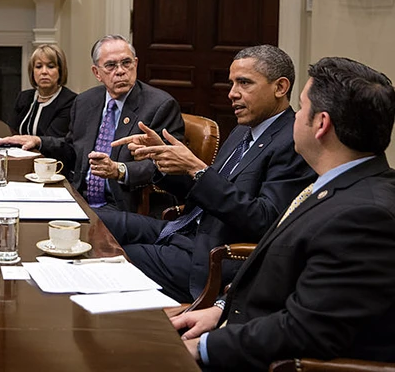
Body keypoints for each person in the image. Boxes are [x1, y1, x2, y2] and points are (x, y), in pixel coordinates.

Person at [171, 57, 395, 370]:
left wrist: (206, 347)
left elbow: (307, 330)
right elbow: (292, 286)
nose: (294, 117)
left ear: (321, 124)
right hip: (237, 327)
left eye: (301, 108)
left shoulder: (364, 216)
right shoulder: (337, 184)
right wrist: (220, 310)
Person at [97, 45, 313, 303]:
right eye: (232, 83)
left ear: (280, 87)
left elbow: (264, 220)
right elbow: (204, 191)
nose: (232, 94)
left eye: (244, 83)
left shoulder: (291, 142)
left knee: (110, 257)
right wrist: (162, 160)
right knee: (93, 220)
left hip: (212, 254)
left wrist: (197, 168)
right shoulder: (243, 131)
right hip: (183, 230)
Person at [0, 35, 184, 212]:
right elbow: (72, 148)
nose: (120, 71)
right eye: (110, 65)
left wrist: (119, 170)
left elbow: (167, 163)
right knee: (14, 206)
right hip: (79, 196)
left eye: (126, 63)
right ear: (97, 72)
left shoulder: (159, 105)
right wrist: (39, 141)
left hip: (120, 203)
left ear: (135, 64)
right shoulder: (86, 101)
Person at [8, 43, 77, 138]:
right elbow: (12, 131)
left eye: (51, 66)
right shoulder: (23, 97)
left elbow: (53, 140)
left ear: (60, 71)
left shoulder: (70, 101)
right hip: (19, 151)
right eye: (38, 66)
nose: (44, 72)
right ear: (32, 71)